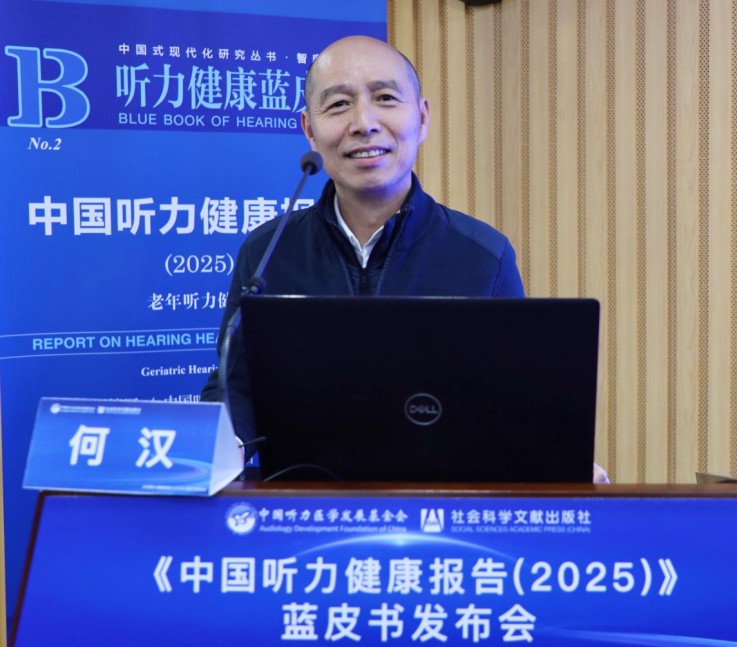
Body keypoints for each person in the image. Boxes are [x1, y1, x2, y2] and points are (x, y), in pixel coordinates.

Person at [201, 35, 609, 484]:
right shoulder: (267, 251)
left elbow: (517, 405)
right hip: (305, 508)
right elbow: (233, 391)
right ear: (309, 129)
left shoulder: (483, 256)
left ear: (422, 117)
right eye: (338, 105)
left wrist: (552, 461)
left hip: (442, 507)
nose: (364, 123)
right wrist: (222, 449)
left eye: (385, 98)